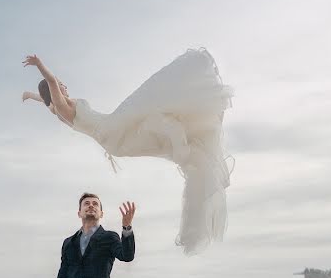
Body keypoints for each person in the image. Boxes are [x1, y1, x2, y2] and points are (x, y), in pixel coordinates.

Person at [22, 48, 232, 255]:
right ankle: (183, 149)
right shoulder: (61, 108)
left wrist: (31, 96)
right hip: (111, 132)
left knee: (153, 119)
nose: (63, 86)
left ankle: (184, 148)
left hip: (112, 132)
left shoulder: (57, 107)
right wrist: (39, 65)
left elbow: (47, 99)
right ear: (55, 90)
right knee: (150, 105)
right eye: (60, 85)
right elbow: (50, 87)